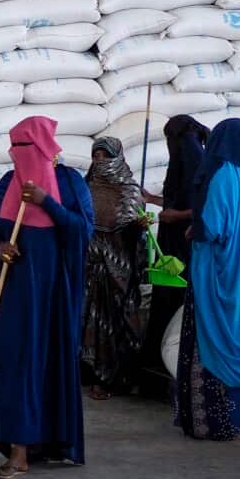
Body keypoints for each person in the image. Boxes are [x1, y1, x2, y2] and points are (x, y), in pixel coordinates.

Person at [0, 117, 94, 479]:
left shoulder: (70, 183)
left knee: (52, 363)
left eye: (24, 149)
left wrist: (49, 204)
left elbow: (83, 231)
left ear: (42, 149)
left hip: (57, 296)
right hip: (16, 296)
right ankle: (18, 452)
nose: (17, 156)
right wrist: (0, 248)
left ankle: (51, 441)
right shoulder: (6, 184)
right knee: (18, 367)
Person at [174, 119, 240, 442]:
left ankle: (217, 423)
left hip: (219, 272)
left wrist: (194, 230)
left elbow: (213, 227)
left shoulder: (221, 174)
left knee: (211, 338)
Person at [81, 137, 149, 400]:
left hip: (120, 271)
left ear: (117, 157)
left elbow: (136, 238)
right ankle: (98, 377)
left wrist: (137, 229)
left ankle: (122, 376)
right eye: (96, 157)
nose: (100, 162)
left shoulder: (131, 191)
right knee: (93, 323)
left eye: (105, 157)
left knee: (122, 321)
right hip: (91, 268)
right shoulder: (86, 187)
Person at [140, 115, 208, 372]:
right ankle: (158, 358)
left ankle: (175, 357)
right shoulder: (183, 161)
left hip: (185, 242)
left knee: (178, 297)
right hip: (170, 242)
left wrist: (175, 216)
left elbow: (205, 207)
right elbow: (178, 199)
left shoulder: (195, 160)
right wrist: (154, 200)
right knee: (165, 295)